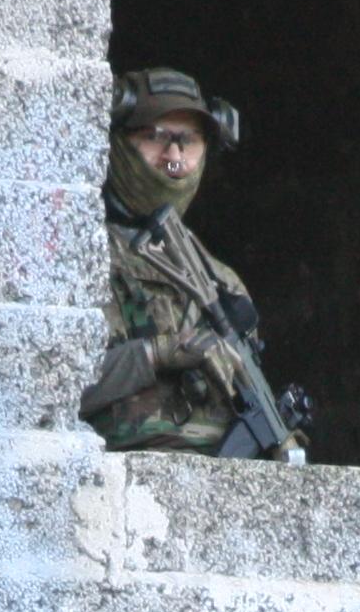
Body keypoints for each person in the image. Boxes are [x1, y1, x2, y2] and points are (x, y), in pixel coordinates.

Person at [79, 69, 309, 460]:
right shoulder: (81, 261)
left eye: (189, 140)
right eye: (154, 136)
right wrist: (160, 352)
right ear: (117, 143)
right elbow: (50, 393)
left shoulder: (223, 285)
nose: (174, 157)